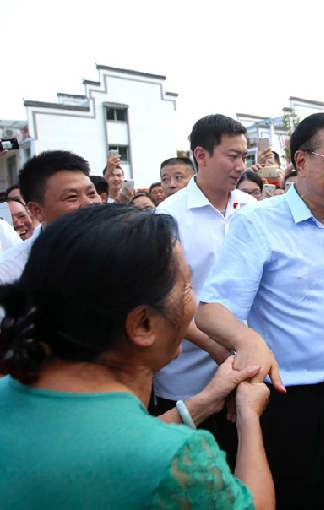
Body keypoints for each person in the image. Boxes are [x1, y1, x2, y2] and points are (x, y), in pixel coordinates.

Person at [0, 204, 275, 510]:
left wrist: (206, 400)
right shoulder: (176, 459)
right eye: (186, 287)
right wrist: (249, 416)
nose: (194, 302)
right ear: (143, 324)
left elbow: (105, 444)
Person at [195, 112, 324, 510]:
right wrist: (246, 340)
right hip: (300, 406)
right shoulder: (257, 223)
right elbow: (210, 311)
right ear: (301, 161)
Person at [151, 114, 255, 469]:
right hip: (188, 377)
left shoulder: (252, 210)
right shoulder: (168, 217)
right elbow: (165, 299)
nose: (240, 166)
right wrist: (217, 349)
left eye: (244, 156)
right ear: (201, 155)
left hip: (247, 366)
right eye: (232, 156)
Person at [0, 151, 101, 288]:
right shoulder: (8, 273)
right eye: (72, 197)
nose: (89, 203)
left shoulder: (121, 252)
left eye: (91, 193)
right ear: (36, 210)